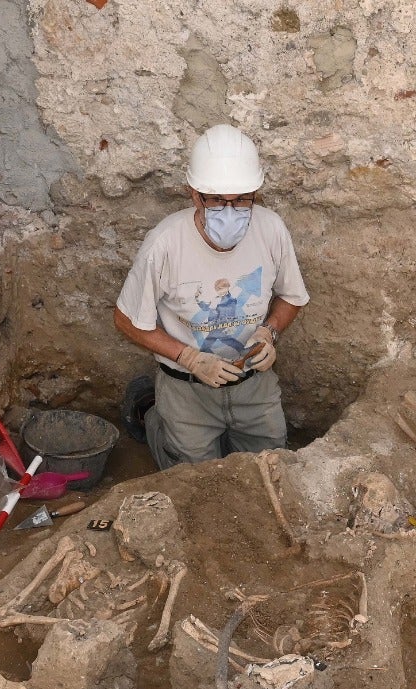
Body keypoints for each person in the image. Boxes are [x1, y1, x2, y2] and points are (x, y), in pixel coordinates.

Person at [114, 124, 309, 469]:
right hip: (187, 390)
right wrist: (189, 358)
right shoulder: (165, 244)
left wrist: (270, 332)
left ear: (255, 193)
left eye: (242, 199)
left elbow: (292, 296)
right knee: (193, 480)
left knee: (272, 469)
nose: (231, 211)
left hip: (254, 384)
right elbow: (126, 320)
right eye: (218, 199)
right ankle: (152, 417)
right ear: (194, 193)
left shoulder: (270, 229)